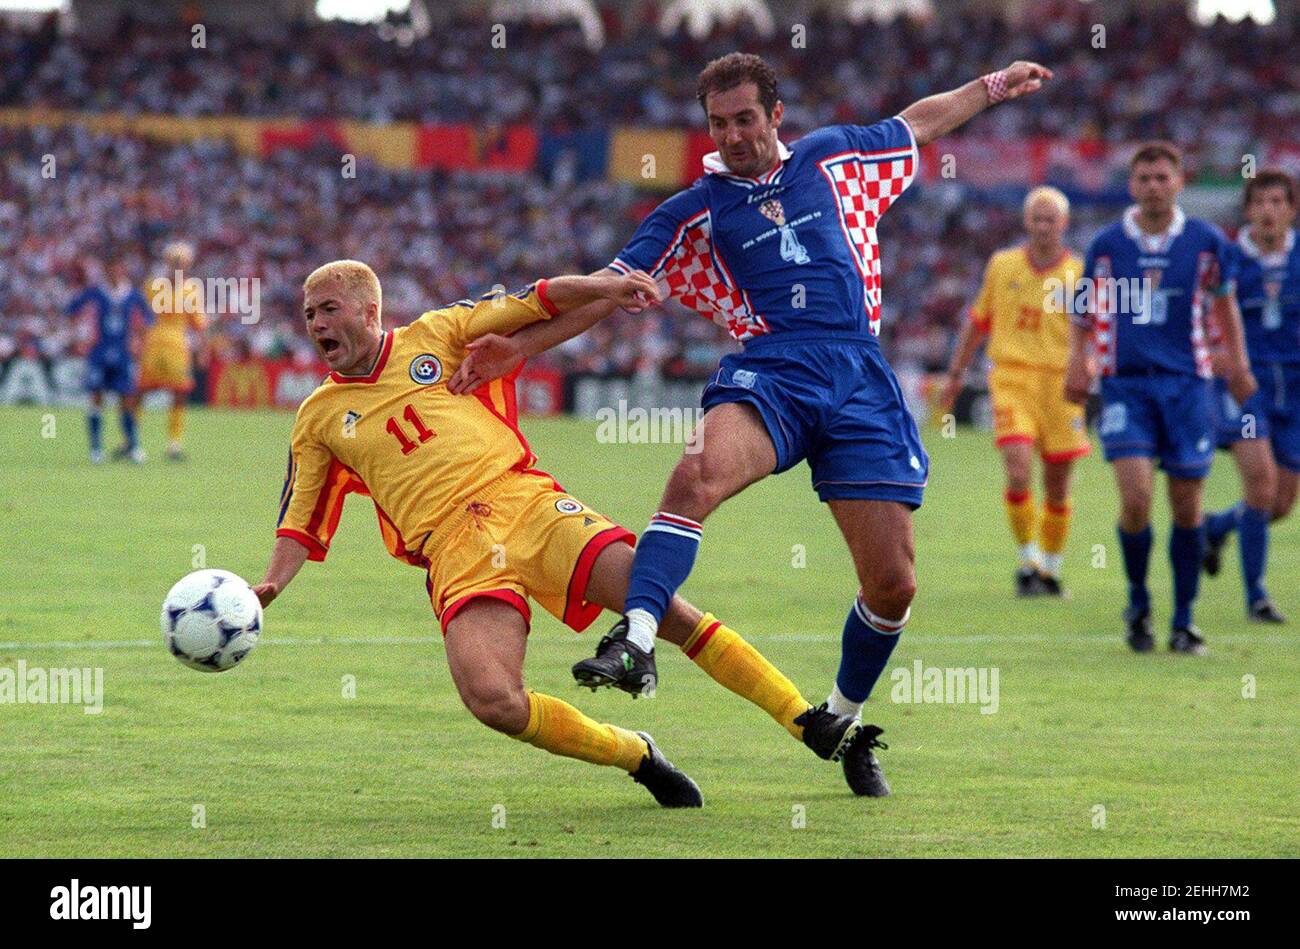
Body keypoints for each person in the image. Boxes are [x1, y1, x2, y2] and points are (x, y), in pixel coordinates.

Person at [450, 52, 1053, 796]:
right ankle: (636, 636)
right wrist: (519, 344)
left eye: (744, 119)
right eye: (717, 123)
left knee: (893, 584)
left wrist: (992, 87)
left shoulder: (833, 157)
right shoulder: (693, 210)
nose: (732, 135)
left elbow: (920, 122)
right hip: (773, 368)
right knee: (694, 473)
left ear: (774, 116)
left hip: (861, 374)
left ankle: (841, 718)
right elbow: (609, 291)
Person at [255, 260, 882, 807]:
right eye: (308, 314)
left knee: (662, 605)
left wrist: (605, 284)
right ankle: (636, 754)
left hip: (526, 504)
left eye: (328, 309)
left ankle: (808, 722)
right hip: (454, 550)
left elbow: (531, 300)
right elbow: (301, 514)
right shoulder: (317, 418)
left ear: (369, 310)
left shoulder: (435, 334)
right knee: (493, 700)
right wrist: (270, 584)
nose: (315, 325)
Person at [1065, 142, 1256, 655]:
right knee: (1136, 499)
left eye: (1162, 177)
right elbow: (1082, 314)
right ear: (1132, 185)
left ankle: (1185, 620)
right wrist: (1075, 363)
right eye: (1144, 178)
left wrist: (1237, 363)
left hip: (1189, 387)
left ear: (1179, 182)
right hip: (1126, 383)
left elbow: (1225, 305)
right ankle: (1138, 602)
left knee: (1188, 507)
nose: (1153, 185)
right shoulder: (1107, 245)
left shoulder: (1206, 241)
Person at [940, 186, 1088, 597]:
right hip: (1012, 378)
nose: (1043, 227)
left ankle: (1052, 570)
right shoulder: (1003, 265)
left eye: (1050, 220)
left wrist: (1091, 369)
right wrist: (955, 373)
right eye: (1036, 219)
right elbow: (977, 321)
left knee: (1058, 484)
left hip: (1061, 386)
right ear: (1026, 222)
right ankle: (1028, 562)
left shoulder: (1081, 273)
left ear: (1064, 224)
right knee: (1019, 470)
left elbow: (1096, 330)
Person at [1202, 170, 1300, 622]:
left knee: (1279, 504)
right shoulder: (1228, 258)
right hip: (1247, 388)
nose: (1268, 211)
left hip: (1294, 392)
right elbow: (1202, 312)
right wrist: (1216, 351)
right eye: (1260, 202)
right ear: (1248, 210)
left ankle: (1215, 527)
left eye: (1278, 202)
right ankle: (1257, 596)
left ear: (1291, 209)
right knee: (1260, 488)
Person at [66, 259, 152, 464]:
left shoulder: (132, 295)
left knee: (127, 399)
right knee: (96, 398)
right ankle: (96, 449)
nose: (115, 273)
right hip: (99, 353)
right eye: (111, 270)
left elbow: (149, 319)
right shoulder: (96, 293)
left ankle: (133, 446)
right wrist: (79, 336)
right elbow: (71, 310)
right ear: (106, 271)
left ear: (123, 271)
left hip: (123, 355)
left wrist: (139, 337)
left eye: (118, 269)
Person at [139, 241, 207, 460]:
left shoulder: (189, 288)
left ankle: (174, 444)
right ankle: (132, 439)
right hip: (158, 342)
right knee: (142, 391)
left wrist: (202, 346)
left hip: (174, 344)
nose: (179, 266)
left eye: (183, 263)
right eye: (175, 262)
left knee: (178, 394)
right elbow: (140, 315)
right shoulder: (154, 285)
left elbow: (197, 322)